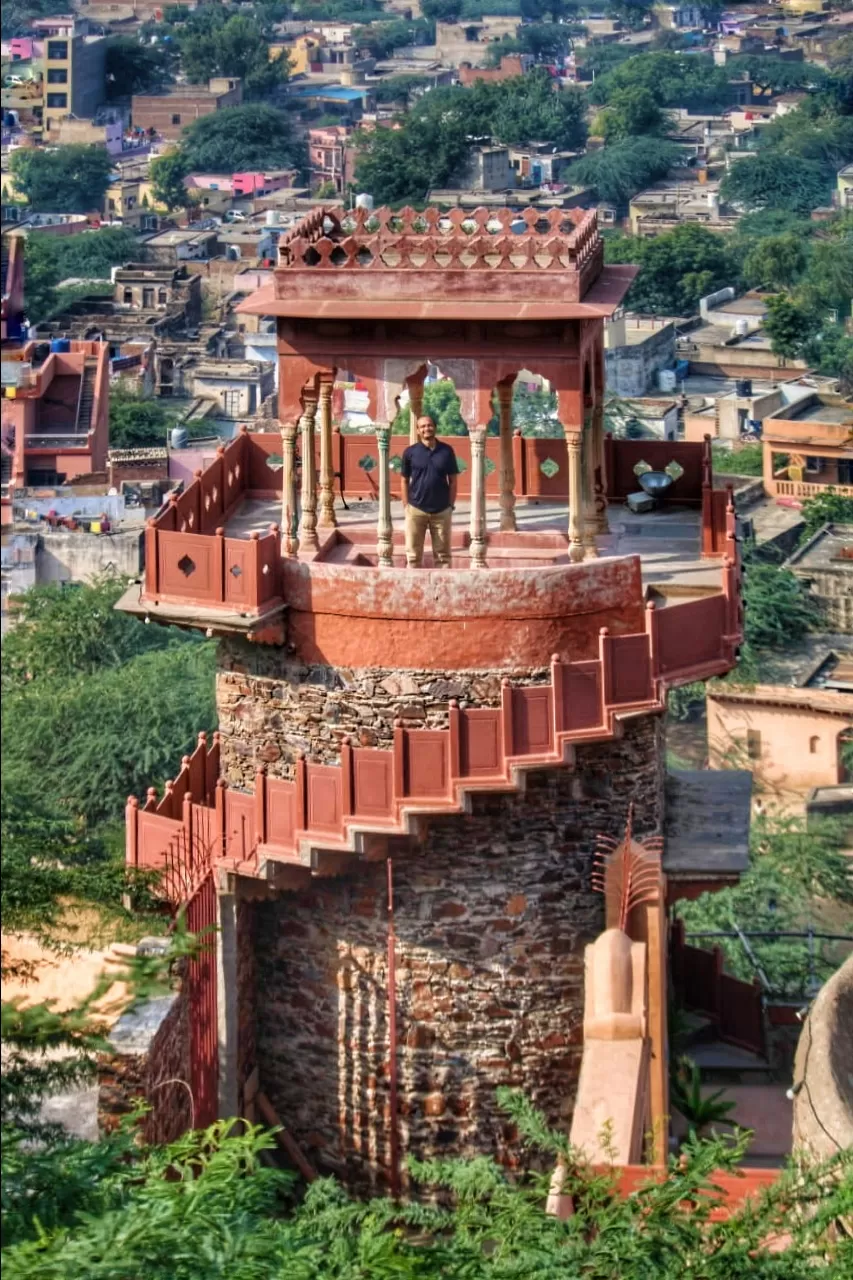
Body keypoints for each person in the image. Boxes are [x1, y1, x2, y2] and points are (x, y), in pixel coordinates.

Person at [400, 415, 458, 568]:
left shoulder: (446, 451)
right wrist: (406, 506)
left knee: (443, 556)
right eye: (423, 426)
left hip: (441, 511)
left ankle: (442, 590)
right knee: (413, 555)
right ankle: (414, 590)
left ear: (435, 427)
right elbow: (404, 480)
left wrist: (450, 506)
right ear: (418, 431)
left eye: (429, 425)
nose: (427, 428)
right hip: (416, 510)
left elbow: (453, 481)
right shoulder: (410, 452)